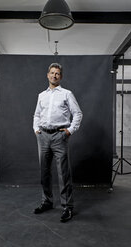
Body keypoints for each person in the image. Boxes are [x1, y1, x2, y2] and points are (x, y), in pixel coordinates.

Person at [33, 62, 83, 223]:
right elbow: (36, 115)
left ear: (60, 77)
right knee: (44, 172)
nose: (54, 75)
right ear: (47, 75)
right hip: (43, 137)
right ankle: (46, 202)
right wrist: (36, 129)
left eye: (57, 73)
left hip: (59, 136)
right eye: (52, 73)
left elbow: (78, 114)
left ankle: (67, 207)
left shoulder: (67, 94)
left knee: (64, 173)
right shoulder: (42, 95)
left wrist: (69, 131)